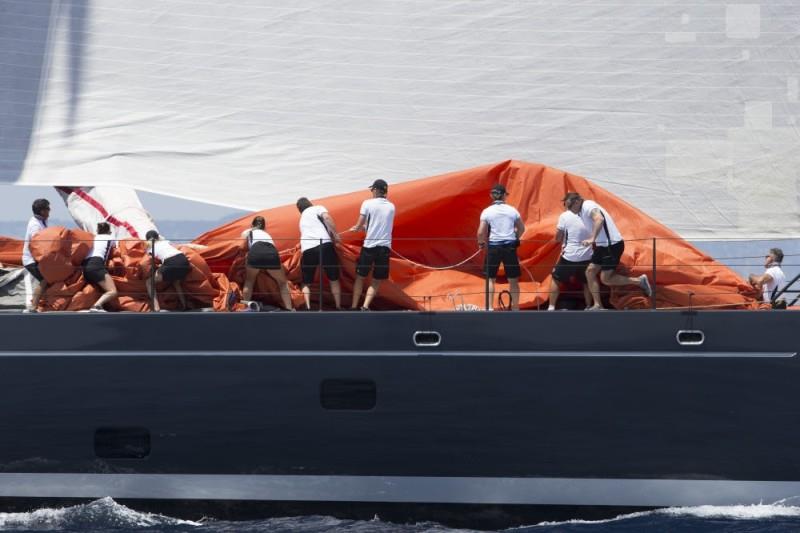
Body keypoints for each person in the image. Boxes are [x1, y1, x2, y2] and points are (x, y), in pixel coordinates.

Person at [563, 192, 651, 310]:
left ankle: (639, 281)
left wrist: (592, 239)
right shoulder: (581, 212)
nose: (569, 210)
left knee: (606, 279)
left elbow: (599, 219)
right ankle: (597, 305)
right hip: (602, 246)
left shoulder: (588, 205)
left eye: (570, 206)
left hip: (612, 245)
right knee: (590, 272)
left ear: (577, 201)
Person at [477, 184, 525, 311]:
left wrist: (481, 243)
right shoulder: (512, 210)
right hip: (510, 247)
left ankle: (489, 307)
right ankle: (515, 307)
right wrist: (515, 237)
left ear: (491, 196)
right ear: (504, 195)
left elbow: (481, 232)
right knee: (513, 279)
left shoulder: (487, 211)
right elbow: (522, 228)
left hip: (494, 247)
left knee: (490, 279)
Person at [349, 179, 395, 310]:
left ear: (375, 190)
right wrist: (365, 227)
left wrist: (357, 227)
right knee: (376, 280)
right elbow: (381, 224)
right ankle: (365, 306)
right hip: (384, 248)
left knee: (360, 277)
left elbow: (360, 223)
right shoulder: (391, 206)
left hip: (369, 246)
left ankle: (353, 306)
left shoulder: (367, 203)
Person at [296, 197, 342, 310]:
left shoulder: (301, 219)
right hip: (324, 245)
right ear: (310, 203)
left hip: (307, 248)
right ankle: (338, 306)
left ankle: (307, 307)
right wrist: (335, 235)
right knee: (334, 279)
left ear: (300, 209)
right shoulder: (317, 208)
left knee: (306, 282)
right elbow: (326, 217)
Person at [549, 196, 593, 310]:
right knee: (587, 281)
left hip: (570, 256)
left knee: (556, 279)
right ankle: (589, 306)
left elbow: (558, 237)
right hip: (587, 255)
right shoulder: (588, 215)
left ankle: (551, 307)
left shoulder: (564, 215)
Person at [240, 216, 293, 311]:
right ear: (264, 227)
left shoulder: (249, 232)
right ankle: (289, 309)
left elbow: (242, 240)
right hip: (271, 252)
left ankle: (245, 307)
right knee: (282, 283)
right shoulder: (267, 234)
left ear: (252, 225)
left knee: (249, 281)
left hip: (256, 251)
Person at [144, 230, 192, 312]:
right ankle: (184, 305)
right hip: (184, 261)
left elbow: (149, 262)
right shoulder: (166, 242)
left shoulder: (150, 249)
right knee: (176, 282)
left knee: (149, 282)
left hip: (171, 262)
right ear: (158, 237)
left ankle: (156, 308)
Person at [22, 198, 50, 313]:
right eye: (48, 208)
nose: (50, 210)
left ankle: (41, 304)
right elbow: (36, 244)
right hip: (31, 260)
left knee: (48, 280)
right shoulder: (35, 225)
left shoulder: (42, 221)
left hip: (38, 259)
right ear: (42, 211)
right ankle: (33, 306)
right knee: (44, 280)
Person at [83, 222, 118, 312]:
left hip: (85, 266)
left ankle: (100, 305)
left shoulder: (94, 237)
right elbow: (116, 249)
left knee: (100, 288)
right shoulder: (110, 238)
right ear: (109, 231)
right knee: (112, 291)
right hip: (96, 265)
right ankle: (96, 306)